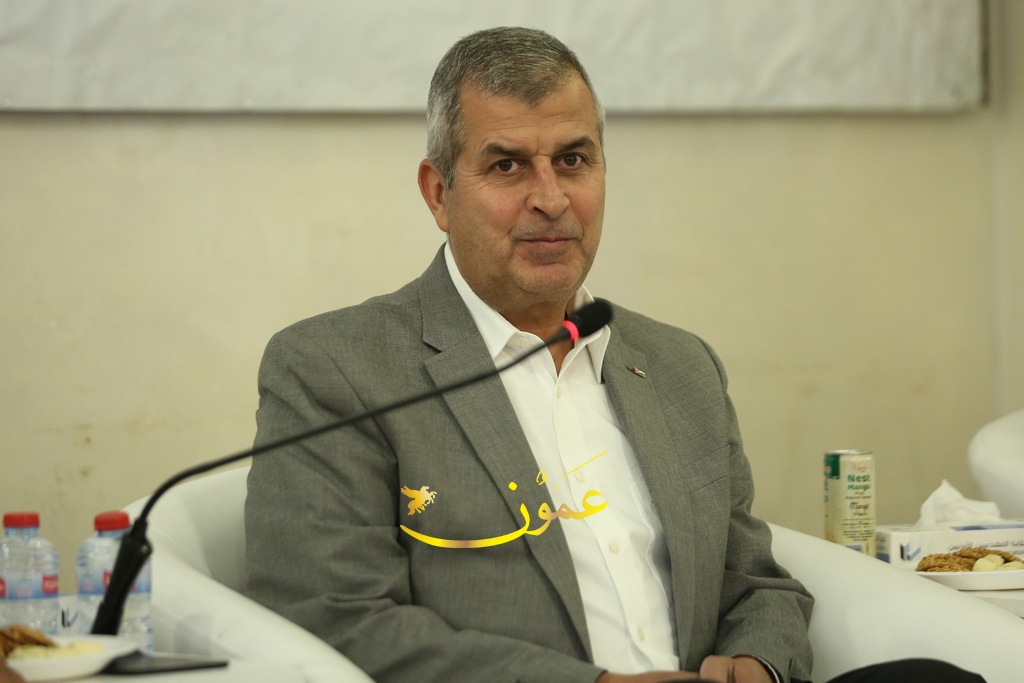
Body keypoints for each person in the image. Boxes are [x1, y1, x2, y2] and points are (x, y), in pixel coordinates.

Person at [245, 28, 984, 683]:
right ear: (439, 193)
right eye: (507, 167)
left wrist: (758, 659)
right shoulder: (337, 368)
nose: (551, 199)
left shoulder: (679, 365)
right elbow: (336, 620)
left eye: (573, 160)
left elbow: (755, 582)